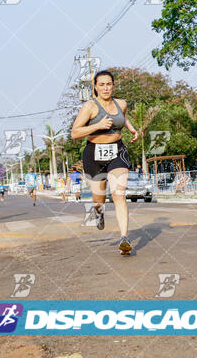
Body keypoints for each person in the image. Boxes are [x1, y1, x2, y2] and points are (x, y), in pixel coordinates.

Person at [70, 70, 139, 256]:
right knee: (99, 198)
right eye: (102, 84)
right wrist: (97, 126)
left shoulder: (121, 103)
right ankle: (98, 212)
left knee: (119, 195)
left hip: (117, 151)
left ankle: (124, 238)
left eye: (109, 84)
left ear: (113, 85)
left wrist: (133, 130)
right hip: (93, 154)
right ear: (95, 87)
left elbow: (122, 118)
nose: (106, 88)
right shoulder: (89, 107)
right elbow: (75, 133)